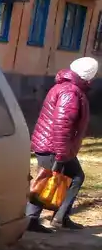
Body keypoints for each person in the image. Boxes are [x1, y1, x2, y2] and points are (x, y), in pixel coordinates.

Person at [27, 56, 97, 233]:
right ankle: (32, 220)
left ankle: (60, 217)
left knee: (67, 177)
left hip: (54, 145)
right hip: (54, 146)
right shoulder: (71, 92)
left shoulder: (66, 87)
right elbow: (62, 124)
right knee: (49, 180)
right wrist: (61, 153)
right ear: (88, 76)